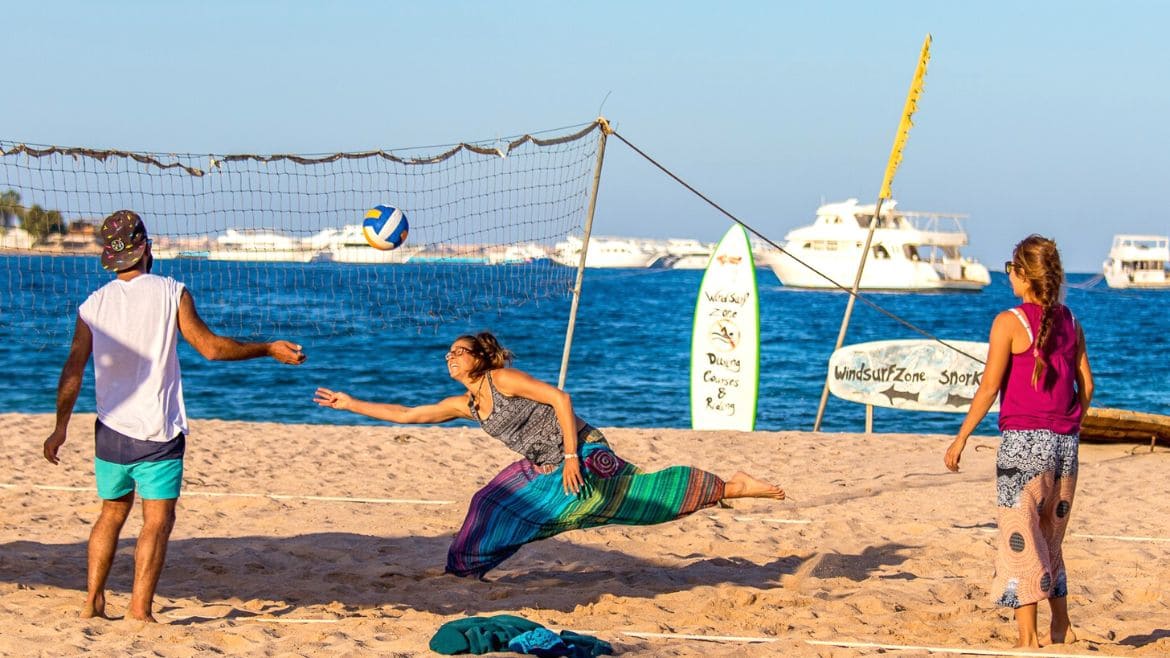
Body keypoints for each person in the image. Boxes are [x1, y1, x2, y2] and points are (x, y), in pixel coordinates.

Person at [314, 331, 785, 578]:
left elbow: (561, 398)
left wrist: (573, 457)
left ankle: (730, 486)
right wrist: (350, 403)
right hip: (542, 464)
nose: (451, 358)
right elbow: (407, 414)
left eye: (459, 352)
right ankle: (466, 569)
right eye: (447, 355)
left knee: (635, 501)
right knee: (489, 502)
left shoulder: (503, 380)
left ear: (481, 357)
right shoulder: (467, 403)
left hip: (583, 452)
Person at [42, 210, 307, 622]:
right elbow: (212, 349)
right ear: (146, 248)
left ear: (112, 257)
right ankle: (139, 611)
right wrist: (267, 348)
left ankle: (92, 602)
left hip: (109, 431)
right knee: (157, 521)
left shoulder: (92, 304)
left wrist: (60, 428)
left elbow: (73, 369)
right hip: (157, 431)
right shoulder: (171, 291)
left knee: (111, 513)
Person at [944, 235, 1093, 648]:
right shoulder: (1072, 321)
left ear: (1025, 275)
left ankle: (1028, 638)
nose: (1008, 276)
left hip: (1023, 446)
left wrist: (961, 438)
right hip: (1065, 448)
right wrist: (1070, 423)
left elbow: (989, 387)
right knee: (1050, 539)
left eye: (1011, 269)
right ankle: (1061, 625)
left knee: (1020, 538)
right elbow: (1087, 386)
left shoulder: (1008, 322)